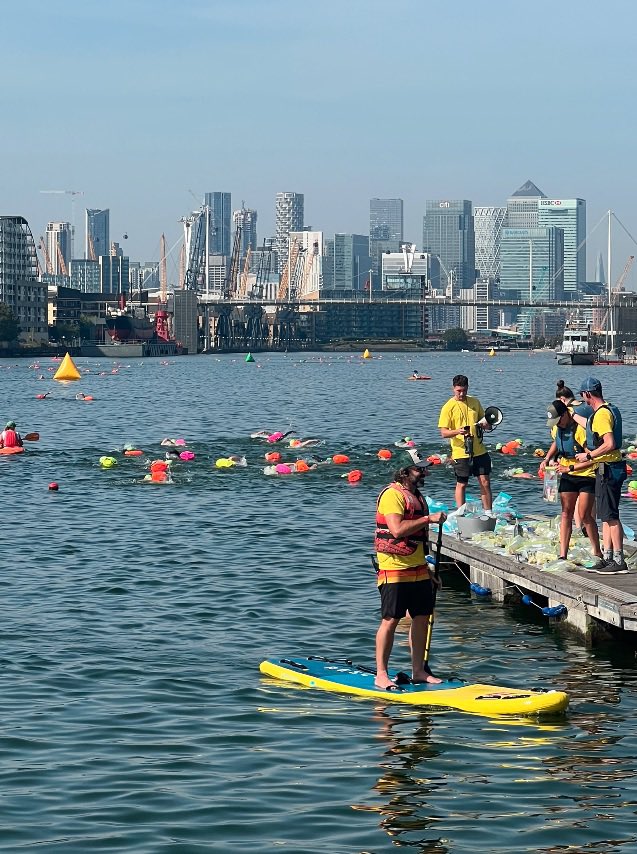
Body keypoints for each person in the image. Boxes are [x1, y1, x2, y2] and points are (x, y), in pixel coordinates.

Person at [373, 454, 446, 691]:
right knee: (391, 620)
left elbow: (420, 538)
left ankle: (418, 671)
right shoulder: (392, 495)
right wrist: (428, 519)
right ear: (405, 472)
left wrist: (429, 570)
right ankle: (381, 674)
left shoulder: (416, 496)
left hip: (418, 568)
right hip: (394, 567)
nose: (425, 474)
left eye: (425, 470)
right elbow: (396, 530)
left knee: (422, 616)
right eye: (419, 470)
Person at [574, 377, 628, 573]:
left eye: (583, 396)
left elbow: (609, 443)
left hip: (609, 469)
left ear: (588, 394)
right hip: (606, 468)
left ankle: (619, 561)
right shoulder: (607, 410)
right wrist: (570, 412)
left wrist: (588, 455)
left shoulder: (602, 415)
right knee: (605, 515)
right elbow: (586, 422)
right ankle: (607, 556)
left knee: (611, 516)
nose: (583, 400)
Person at [541, 400, 602, 564]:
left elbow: (594, 458)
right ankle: (563, 554)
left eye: (558, 420)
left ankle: (597, 551)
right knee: (565, 513)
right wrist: (547, 459)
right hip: (566, 472)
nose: (557, 425)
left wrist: (572, 468)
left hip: (585, 474)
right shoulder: (557, 427)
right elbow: (557, 441)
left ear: (565, 415)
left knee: (584, 516)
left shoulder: (580, 430)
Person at [438, 374, 492, 510]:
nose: (461, 394)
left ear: (468, 388)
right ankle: (460, 512)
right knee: (462, 484)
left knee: (485, 482)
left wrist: (487, 425)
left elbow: (485, 421)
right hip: (461, 452)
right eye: (459, 391)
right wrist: (458, 431)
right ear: (453, 389)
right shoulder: (448, 407)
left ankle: (489, 513)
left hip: (479, 449)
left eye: (464, 390)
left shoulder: (475, 402)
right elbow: (443, 433)